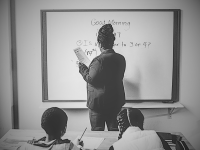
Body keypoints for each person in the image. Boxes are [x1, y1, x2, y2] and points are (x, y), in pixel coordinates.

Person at [78, 24, 126, 131]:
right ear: (112, 42)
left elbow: (91, 79)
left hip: (98, 105)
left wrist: (83, 69)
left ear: (99, 43)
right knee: (114, 132)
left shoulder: (98, 60)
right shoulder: (121, 58)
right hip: (116, 102)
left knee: (97, 132)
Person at [18, 107, 84, 150]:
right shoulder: (68, 146)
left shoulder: (26, 146)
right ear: (64, 129)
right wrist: (78, 146)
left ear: (43, 125)